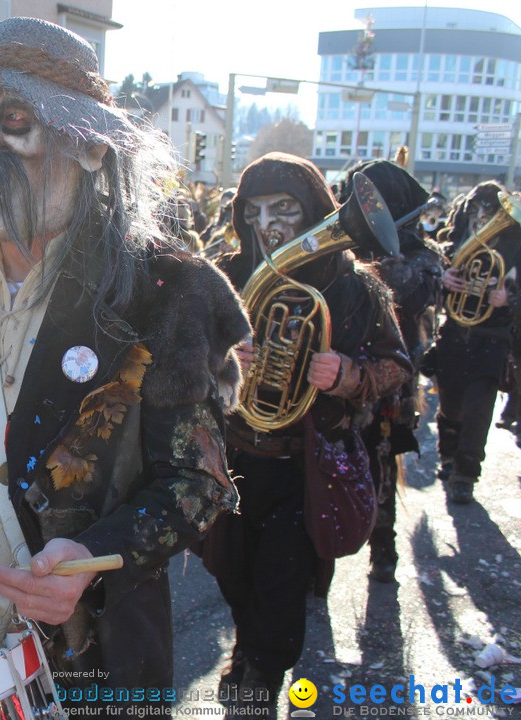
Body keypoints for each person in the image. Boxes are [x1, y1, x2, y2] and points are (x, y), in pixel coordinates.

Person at [0, 17, 249, 711]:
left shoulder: (165, 292)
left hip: (85, 658)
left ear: (90, 149)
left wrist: (93, 560)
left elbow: (199, 484)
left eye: (13, 121)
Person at [202, 153, 411, 717]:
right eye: (255, 210)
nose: (268, 225)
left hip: (305, 465)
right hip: (232, 455)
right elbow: (171, 356)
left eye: (285, 209)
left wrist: (349, 374)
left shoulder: (354, 288)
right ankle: (248, 647)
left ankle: (263, 674)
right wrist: (218, 356)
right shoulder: (222, 273)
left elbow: (398, 365)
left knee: (282, 577)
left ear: (314, 209)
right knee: (232, 570)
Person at [337, 160, 445, 583]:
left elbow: (407, 296)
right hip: (339, 374)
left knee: (380, 464)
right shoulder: (345, 252)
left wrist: (377, 256)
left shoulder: (422, 256)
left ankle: (384, 548)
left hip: (389, 385)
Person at [434, 181, 521, 504]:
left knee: (479, 409)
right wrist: (443, 279)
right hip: (455, 333)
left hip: (492, 338)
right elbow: (430, 281)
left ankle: (466, 473)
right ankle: (448, 457)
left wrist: (509, 298)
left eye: (489, 212)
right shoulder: (452, 241)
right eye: (476, 211)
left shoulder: (517, 246)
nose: (481, 219)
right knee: (451, 403)